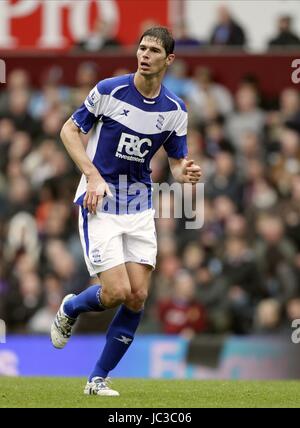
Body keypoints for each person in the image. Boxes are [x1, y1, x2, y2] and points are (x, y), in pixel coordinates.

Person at [51, 27, 201, 396]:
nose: (144, 54)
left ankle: (97, 379)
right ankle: (71, 308)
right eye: (141, 47)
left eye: (153, 50)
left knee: (137, 296)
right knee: (116, 291)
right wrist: (92, 175)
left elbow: (178, 162)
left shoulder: (175, 110)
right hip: (99, 201)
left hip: (139, 205)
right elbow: (69, 132)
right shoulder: (109, 90)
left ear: (169, 60)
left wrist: (188, 173)